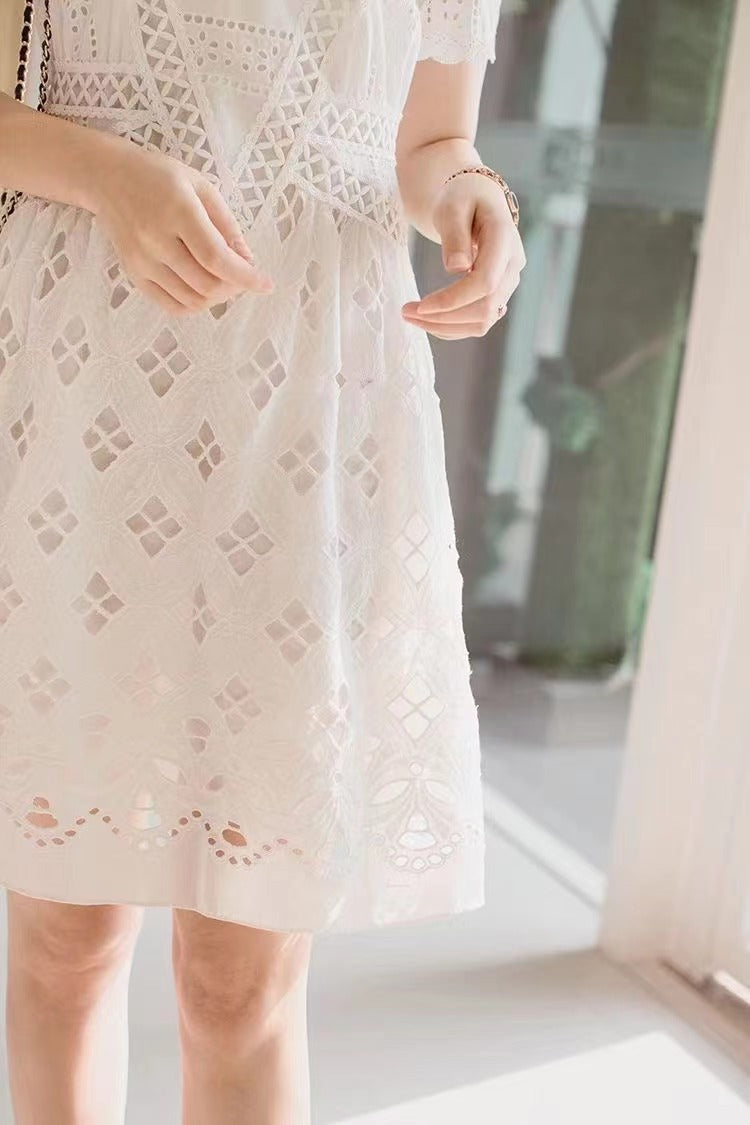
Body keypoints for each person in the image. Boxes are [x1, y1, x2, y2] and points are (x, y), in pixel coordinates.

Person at [0, 1, 525, 1121]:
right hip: (89, 399)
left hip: (313, 423)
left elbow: (432, 140)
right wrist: (108, 173)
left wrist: (474, 196)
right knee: (64, 942)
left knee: (240, 980)